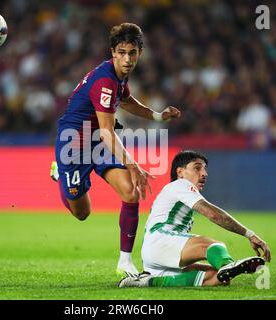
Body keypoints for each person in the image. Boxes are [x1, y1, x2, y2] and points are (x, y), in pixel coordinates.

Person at [50, 22, 181, 276]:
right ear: (113, 52)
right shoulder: (105, 81)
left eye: (132, 53)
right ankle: (59, 174)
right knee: (82, 213)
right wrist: (133, 163)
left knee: (130, 192)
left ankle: (125, 260)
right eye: (122, 53)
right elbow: (108, 132)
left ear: (139, 53)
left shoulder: (118, 77)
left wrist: (158, 116)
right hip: (74, 146)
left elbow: (127, 100)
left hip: (98, 143)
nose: (127, 59)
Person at [118, 150, 271, 288]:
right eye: (197, 168)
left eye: (205, 169)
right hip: (161, 240)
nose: (204, 173)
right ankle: (228, 264)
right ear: (180, 172)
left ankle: (147, 281)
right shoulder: (180, 184)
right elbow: (214, 215)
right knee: (212, 246)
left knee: (218, 278)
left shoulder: (177, 191)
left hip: (155, 252)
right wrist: (249, 234)